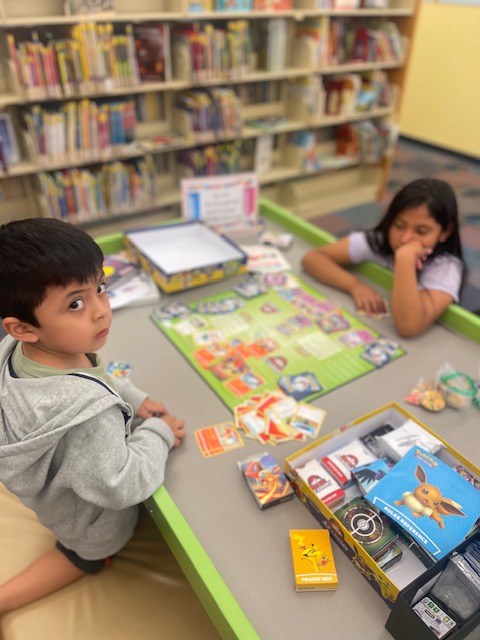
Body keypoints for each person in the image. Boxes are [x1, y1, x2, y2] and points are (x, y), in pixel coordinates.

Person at [0, 217, 186, 613]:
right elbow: (124, 484)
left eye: (100, 288)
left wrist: (132, 398)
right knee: (87, 557)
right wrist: (158, 431)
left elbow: (92, 374)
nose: (102, 311)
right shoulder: (86, 416)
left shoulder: (25, 352)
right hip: (86, 524)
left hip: (57, 481)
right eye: (76, 304)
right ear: (22, 328)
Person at [301, 178, 466, 337]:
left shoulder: (447, 268)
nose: (405, 238)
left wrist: (404, 258)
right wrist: (355, 286)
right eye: (399, 225)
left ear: (445, 232)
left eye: (421, 231)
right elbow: (313, 258)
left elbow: (408, 326)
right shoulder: (379, 240)